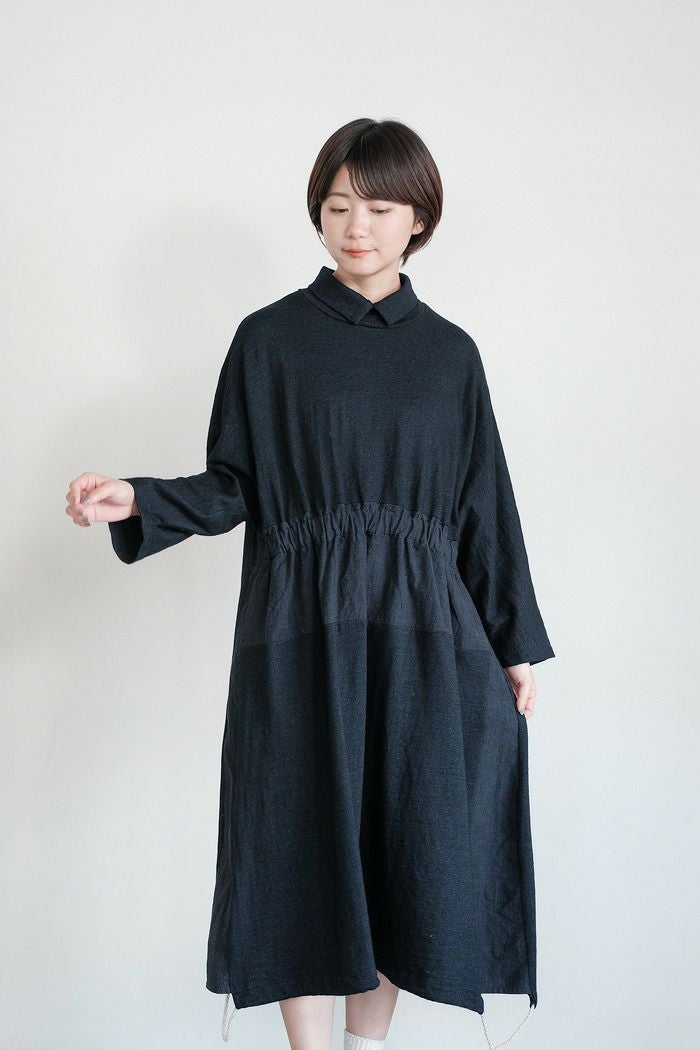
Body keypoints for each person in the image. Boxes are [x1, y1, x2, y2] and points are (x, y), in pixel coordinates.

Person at [65, 117, 555, 1050]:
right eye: (337, 207)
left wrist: (515, 645)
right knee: (299, 839)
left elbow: (483, 505)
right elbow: (234, 485)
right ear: (317, 215)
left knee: (404, 845)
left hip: (426, 636)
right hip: (299, 627)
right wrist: (138, 497)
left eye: (379, 208)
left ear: (419, 220)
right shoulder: (269, 341)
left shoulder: (450, 354)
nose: (356, 227)